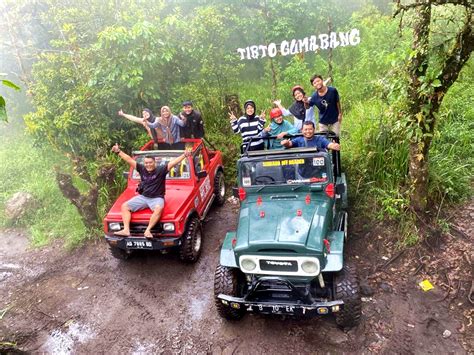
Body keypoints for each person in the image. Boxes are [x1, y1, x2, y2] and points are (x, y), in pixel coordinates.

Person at [111, 143, 190, 239]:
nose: (148, 165)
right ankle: (126, 230)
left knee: (158, 209)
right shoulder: (141, 169)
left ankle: (148, 230)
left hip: (157, 198)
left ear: (154, 162)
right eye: (146, 163)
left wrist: (184, 155)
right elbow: (129, 159)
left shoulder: (161, 170)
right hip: (143, 197)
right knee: (124, 206)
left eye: (150, 162)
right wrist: (118, 151)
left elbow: (173, 163)